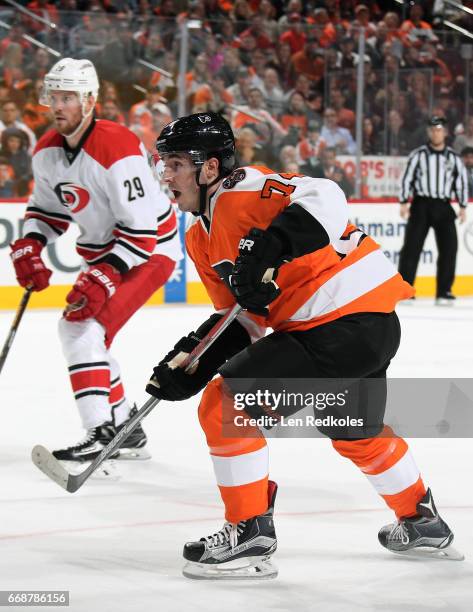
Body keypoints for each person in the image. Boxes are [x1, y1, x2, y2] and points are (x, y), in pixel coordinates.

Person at [145, 112, 462, 580]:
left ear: (209, 168)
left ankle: (249, 531)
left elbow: (328, 196)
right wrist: (195, 360)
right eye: (163, 163)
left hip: (339, 324)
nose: (165, 175)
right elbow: (245, 316)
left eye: (174, 163)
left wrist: (270, 244)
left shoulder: (246, 190)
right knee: (354, 430)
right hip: (363, 328)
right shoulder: (198, 236)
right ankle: (422, 521)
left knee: (225, 407)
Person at [9, 58, 182, 463]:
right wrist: (32, 244)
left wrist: (108, 271)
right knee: (88, 335)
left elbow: (143, 230)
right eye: (54, 96)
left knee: (79, 329)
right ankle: (126, 428)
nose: (58, 105)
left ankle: (102, 431)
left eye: (68, 96)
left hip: (151, 252)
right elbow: (48, 211)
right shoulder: (47, 151)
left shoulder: (117, 147)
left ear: (89, 100)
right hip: (110, 253)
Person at [398, 116, 468, 305]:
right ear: (429, 132)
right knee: (412, 248)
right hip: (421, 204)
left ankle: (444, 291)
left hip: (444, 206)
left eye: (439, 129)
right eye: (433, 130)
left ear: (445, 132)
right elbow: (407, 178)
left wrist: (462, 206)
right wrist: (404, 201)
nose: (436, 133)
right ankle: (405, 290)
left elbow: (460, 181)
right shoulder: (418, 155)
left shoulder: (453, 157)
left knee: (449, 249)